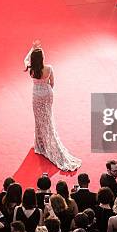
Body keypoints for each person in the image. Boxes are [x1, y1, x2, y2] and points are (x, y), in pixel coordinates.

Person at [24, 40, 81, 171]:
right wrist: (48, 93)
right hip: (48, 95)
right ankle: (46, 142)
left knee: (39, 120)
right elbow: (52, 83)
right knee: (48, 119)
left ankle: (41, 144)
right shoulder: (49, 68)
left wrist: (32, 49)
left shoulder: (31, 68)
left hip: (36, 96)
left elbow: (25, 59)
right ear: (42, 58)